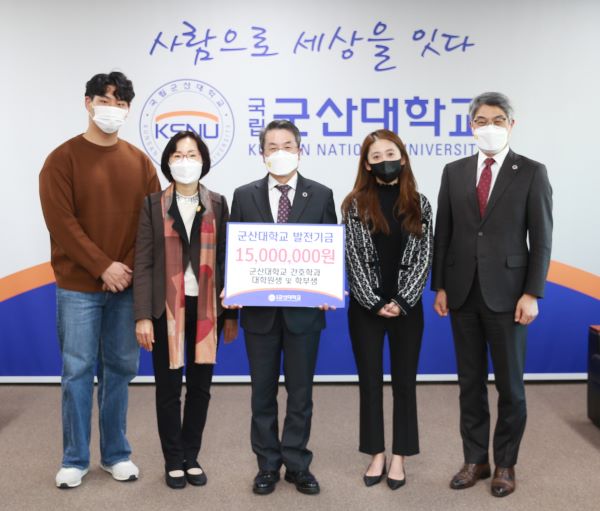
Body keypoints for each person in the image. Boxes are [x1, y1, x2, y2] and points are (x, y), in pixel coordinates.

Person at [39, 71, 160, 489]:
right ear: (87, 103)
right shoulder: (62, 159)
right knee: (76, 371)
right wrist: (102, 266)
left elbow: (150, 223)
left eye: (121, 104)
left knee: (120, 370)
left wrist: (122, 268)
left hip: (126, 286)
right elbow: (61, 222)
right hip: (78, 287)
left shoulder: (140, 162)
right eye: (105, 101)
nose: (113, 109)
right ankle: (74, 458)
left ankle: (115, 454)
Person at [431, 92, 553, 497]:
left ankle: (505, 464)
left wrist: (532, 292)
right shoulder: (454, 171)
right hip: (462, 292)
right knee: (469, 384)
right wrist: (440, 285)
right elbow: (443, 233)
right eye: (481, 121)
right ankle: (475, 460)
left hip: (510, 295)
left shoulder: (531, 172)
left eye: (498, 120)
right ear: (471, 127)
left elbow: (542, 239)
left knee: (511, 387)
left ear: (511, 126)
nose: (489, 127)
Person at [225, 120, 337, 496]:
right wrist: (233, 290)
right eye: (272, 147)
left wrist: (328, 288)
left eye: (287, 145)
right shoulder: (244, 195)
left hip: (305, 314)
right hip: (260, 314)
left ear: (300, 151)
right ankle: (268, 465)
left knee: (301, 393)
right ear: (262, 154)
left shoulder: (321, 194)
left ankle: (298, 464)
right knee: (262, 393)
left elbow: (329, 251)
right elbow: (234, 252)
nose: (280, 152)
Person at [133, 131, 238, 489]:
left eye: (192, 154)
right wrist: (142, 316)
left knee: (200, 388)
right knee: (168, 389)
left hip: (208, 310)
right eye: (178, 155)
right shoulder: (152, 204)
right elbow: (144, 262)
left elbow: (227, 260)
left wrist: (231, 315)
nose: (185, 161)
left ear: (203, 161)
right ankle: (173, 459)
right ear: (168, 162)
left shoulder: (218, 203)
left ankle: (191, 456)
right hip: (165, 310)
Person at [341, 129, 432, 490]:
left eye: (390, 154)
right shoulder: (354, 204)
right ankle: (376, 453)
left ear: (403, 158)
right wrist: (375, 301)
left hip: (408, 309)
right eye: (376, 156)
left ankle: (400, 458)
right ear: (367, 164)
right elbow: (353, 258)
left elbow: (423, 256)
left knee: (405, 384)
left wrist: (403, 300)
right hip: (366, 308)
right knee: (370, 383)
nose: (384, 161)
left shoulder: (420, 203)